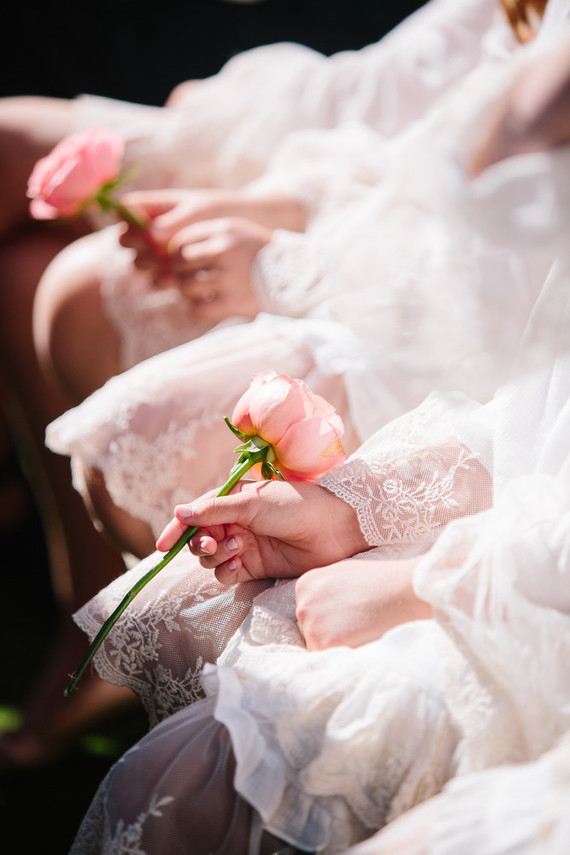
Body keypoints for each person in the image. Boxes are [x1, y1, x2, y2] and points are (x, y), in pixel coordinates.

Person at [65, 18, 570, 853]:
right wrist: (344, 511)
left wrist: (420, 582)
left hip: (528, 595)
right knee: (182, 601)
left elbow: (466, 292)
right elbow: (537, 408)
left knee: (185, 786)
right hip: (519, 498)